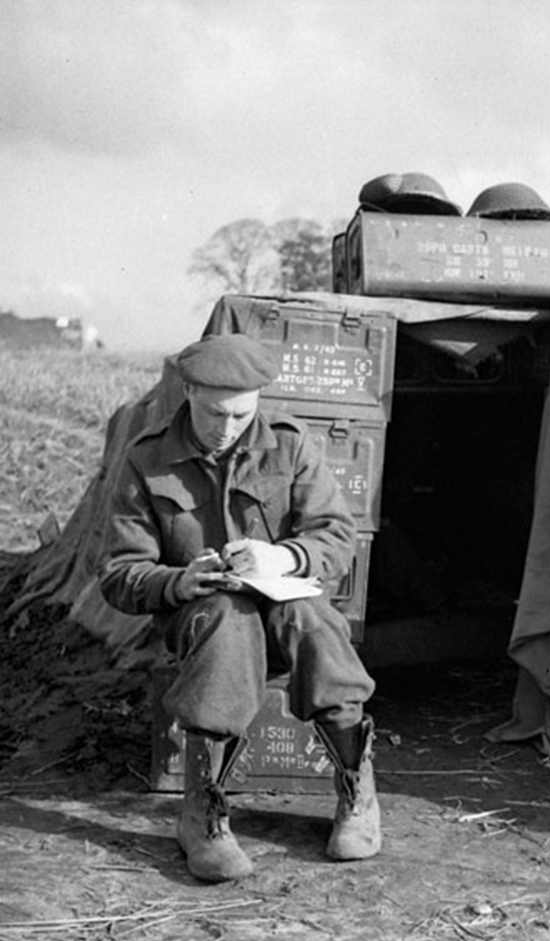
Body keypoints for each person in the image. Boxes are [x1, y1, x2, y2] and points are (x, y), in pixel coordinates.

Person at [101, 333, 380, 883]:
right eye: (214, 414)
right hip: (200, 613)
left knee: (316, 622)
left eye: (240, 415)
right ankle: (202, 814)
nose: (227, 429)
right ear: (188, 392)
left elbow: (337, 536)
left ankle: (357, 795)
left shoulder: (288, 444)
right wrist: (181, 580)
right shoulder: (148, 459)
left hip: (283, 601)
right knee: (227, 619)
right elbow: (118, 573)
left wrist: (284, 555)